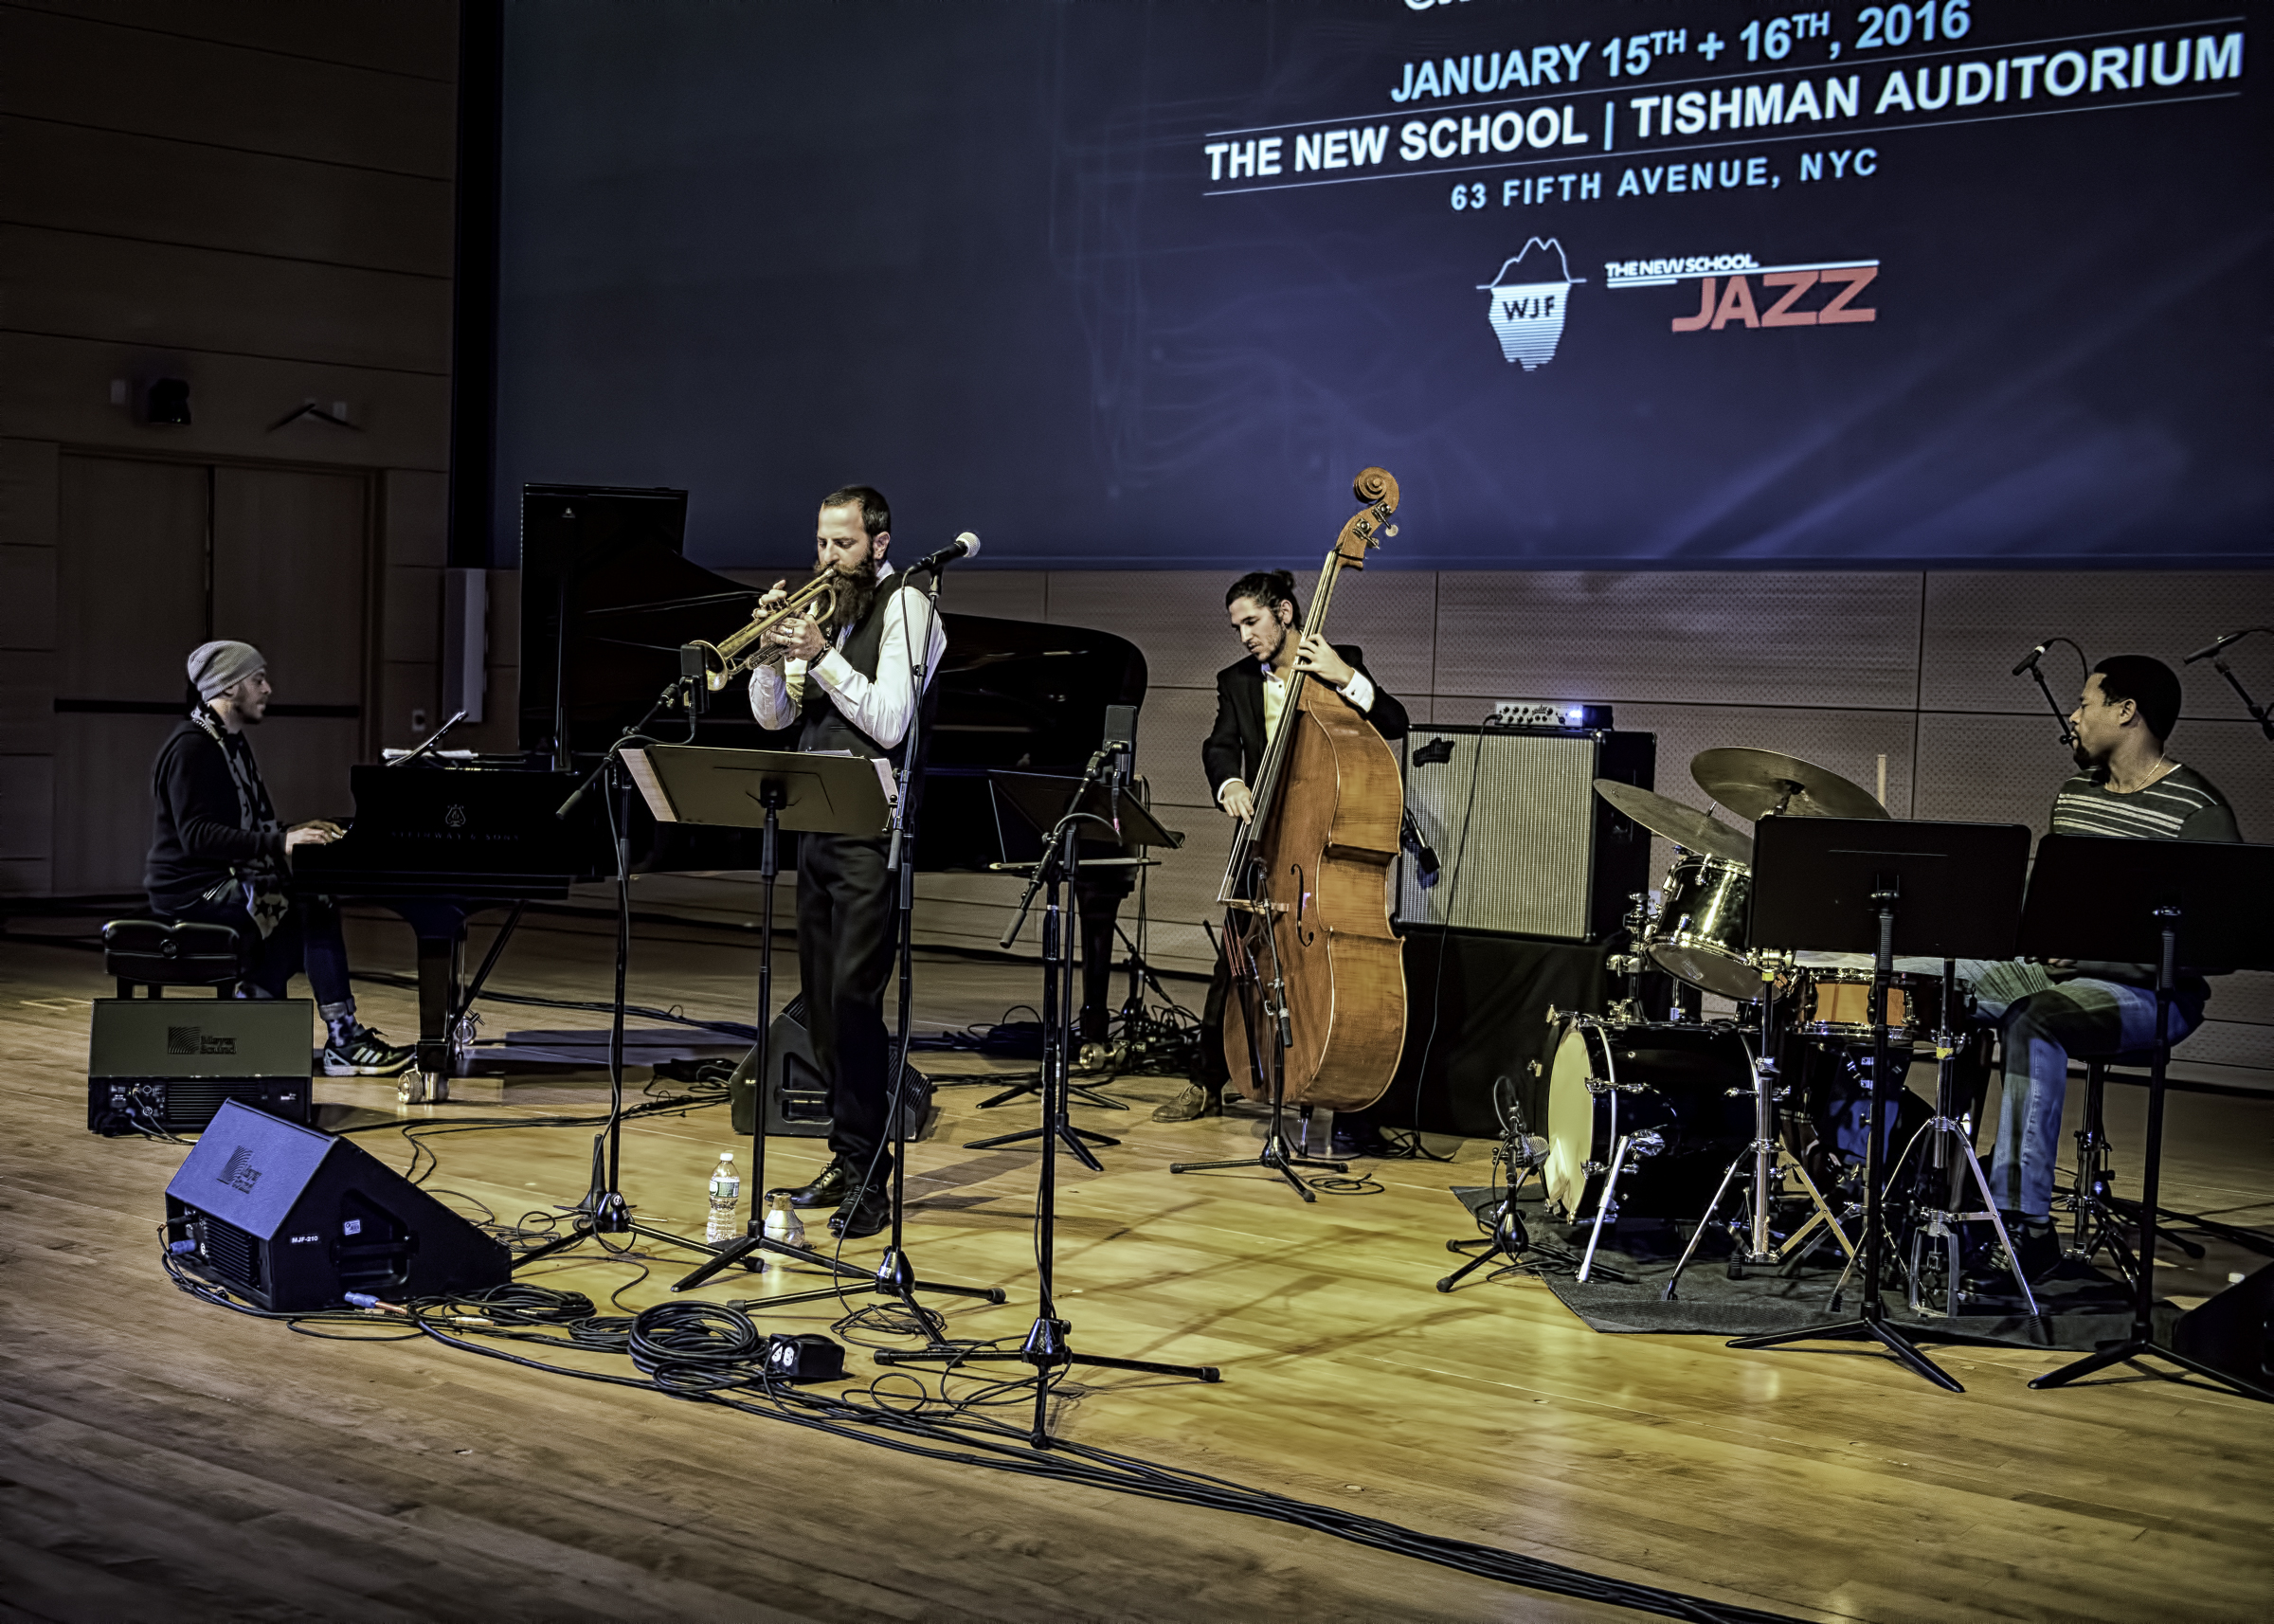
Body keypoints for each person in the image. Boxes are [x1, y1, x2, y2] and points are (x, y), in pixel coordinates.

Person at [1962, 654, 2242, 1284]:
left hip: (2154, 997)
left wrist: (2089, 954)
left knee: (2036, 1022)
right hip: (2056, 977)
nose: (2074, 716)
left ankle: (2025, 1227)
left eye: (2085, 703)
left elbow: (2214, 951)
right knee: (1918, 976)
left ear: (2126, 712)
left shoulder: (2197, 812)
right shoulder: (2074, 798)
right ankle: (1905, 1175)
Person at [1153, 569, 1409, 1152]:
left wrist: (1344, 677)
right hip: (1264, 841)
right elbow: (1218, 744)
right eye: (1236, 626)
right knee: (1235, 963)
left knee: (1335, 975)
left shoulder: (1340, 661)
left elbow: (1395, 722)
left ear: (1286, 613)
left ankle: (1349, 1108)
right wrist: (1231, 785)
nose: (1244, 636)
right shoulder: (1236, 681)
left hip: (1322, 847)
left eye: (1252, 621)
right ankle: (1206, 1081)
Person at [748, 485, 944, 1240]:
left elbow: (892, 721)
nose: (827, 559)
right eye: (822, 544)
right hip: (815, 827)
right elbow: (776, 717)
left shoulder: (908, 609)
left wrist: (821, 656)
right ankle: (847, 1151)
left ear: (881, 544)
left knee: (858, 1004)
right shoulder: (830, 615)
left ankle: (871, 1178)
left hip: (873, 831)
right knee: (822, 1008)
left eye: (843, 544)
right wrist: (771, 656)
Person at [146, 641, 414, 1075]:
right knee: (309, 904)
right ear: (230, 689)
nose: (268, 688)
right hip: (192, 890)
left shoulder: (230, 741)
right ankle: (341, 1038)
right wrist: (281, 842)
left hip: (224, 877)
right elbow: (197, 837)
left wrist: (297, 829)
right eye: (257, 680)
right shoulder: (191, 748)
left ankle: (258, 1019)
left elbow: (252, 824)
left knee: (303, 901)